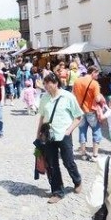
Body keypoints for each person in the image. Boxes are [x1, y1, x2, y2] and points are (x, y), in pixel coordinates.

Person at [36, 72, 83, 204]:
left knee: (68, 162)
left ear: (56, 83)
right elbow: (41, 117)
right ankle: (57, 191)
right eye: (44, 83)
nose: (45, 86)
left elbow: (78, 116)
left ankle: (77, 180)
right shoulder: (44, 97)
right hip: (49, 136)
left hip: (64, 135)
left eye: (47, 83)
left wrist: (68, 131)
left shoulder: (68, 97)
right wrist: (38, 135)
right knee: (52, 164)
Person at [73, 65, 104, 161]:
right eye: (97, 73)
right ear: (93, 72)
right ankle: (95, 155)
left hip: (80, 111)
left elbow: (73, 95)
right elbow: (98, 99)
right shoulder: (94, 83)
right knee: (96, 130)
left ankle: (83, 154)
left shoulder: (77, 81)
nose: (98, 76)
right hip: (91, 111)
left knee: (82, 131)